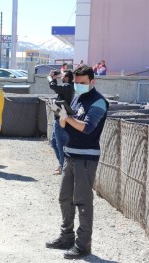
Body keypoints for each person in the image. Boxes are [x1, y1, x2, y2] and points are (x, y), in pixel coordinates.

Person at [45, 65, 108, 259]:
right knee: (65, 198)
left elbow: (87, 127)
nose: (78, 86)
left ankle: (83, 245)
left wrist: (66, 117)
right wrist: (62, 115)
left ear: (92, 81)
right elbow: (64, 124)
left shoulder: (98, 102)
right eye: (77, 83)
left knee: (82, 202)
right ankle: (66, 237)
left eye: (82, 83)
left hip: (85, 158)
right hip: (70, 155)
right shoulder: (76, 98)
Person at [47, 69, 75, 174]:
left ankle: (64, 169)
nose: (60, 77)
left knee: (60, 145)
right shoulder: (67, 87)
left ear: (67, 78)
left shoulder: (68, 87)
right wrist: (54, 79)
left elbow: (53, 86)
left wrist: (50, 78)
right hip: (58, 118)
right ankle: (62, 164)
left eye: (62, 76)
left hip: (61, 119)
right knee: (54, 143)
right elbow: (56, 89)